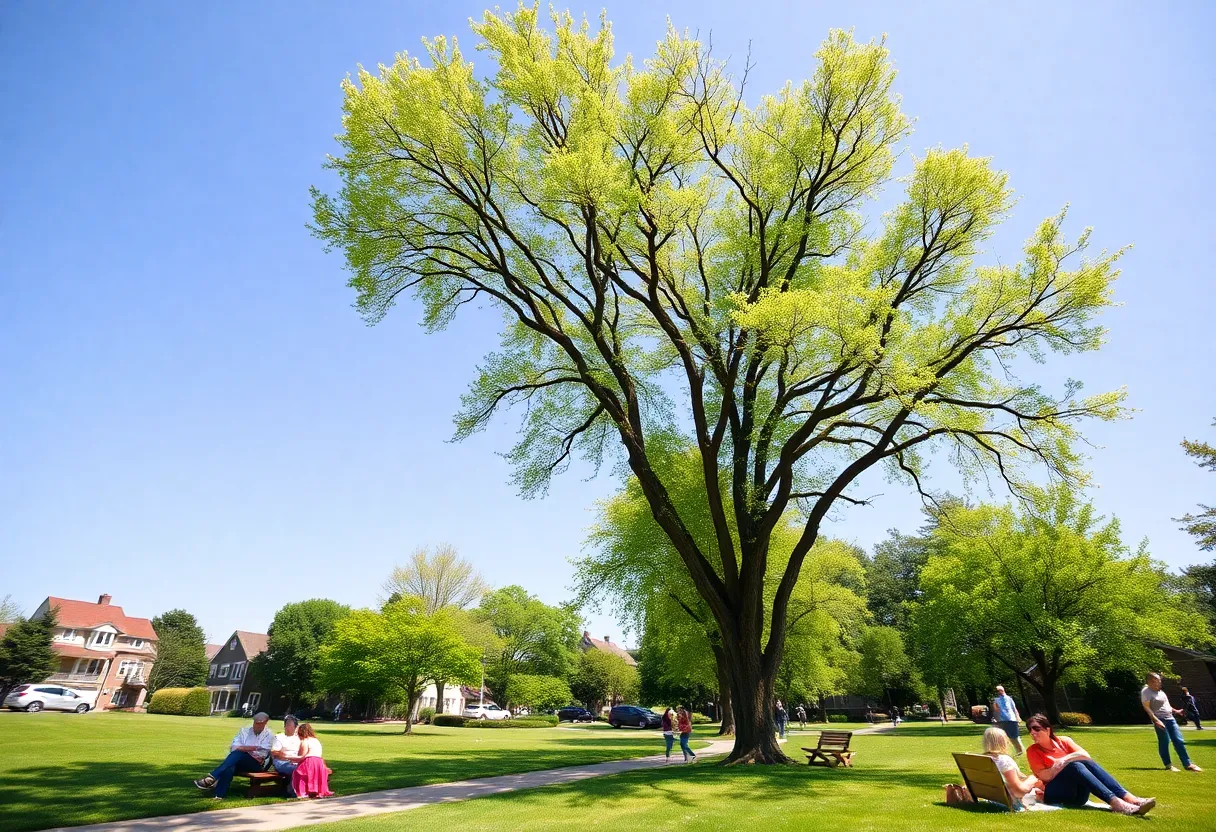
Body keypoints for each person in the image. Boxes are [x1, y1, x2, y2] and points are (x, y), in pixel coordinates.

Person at [1025, 714, 1155, 815]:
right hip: (1054, 794)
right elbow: (1045, 776)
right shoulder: (1033, 751)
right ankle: (1116, 803)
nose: (1032, 733)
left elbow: (1085, 755)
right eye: (1030, 730)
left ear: (1048, 730)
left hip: (1079, 797)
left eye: (1036, 729)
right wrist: (1060, 766)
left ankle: (1130, 799)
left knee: (1085, 762)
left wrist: (1065, 759)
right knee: (1076, 766)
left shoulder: (1064, 741)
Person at [193, 712, 275, 798]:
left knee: (237, 754)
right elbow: (234, 747)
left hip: (255, 764)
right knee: (230, 767)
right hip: (239, 761)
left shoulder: (269, 735)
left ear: (266, 723)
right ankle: (219, 795)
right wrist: (253, 748)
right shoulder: (244, 731)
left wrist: (244, 748)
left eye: (260, 723)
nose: (257, 726)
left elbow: (263, 752)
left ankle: (213, 776)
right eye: (255, 723)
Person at [1140, 672, 1202, 771]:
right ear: (1150, 681)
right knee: (1164, 742)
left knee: (1178, 740)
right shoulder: (1146, 692)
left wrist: (1176, 711)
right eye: (1157, 680)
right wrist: (1156, 720)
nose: (1159, 682)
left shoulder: (1161, 692)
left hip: (1170, 718)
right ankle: (1168, 765)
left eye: (1159, 680)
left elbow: (1167, 705)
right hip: (1160, 719)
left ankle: (1187, 764)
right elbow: (1147, 708)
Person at [981, 727, 1041, 810]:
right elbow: (1018, 791)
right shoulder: (1004, 760)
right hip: (1009, 800)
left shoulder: (982, 759)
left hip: (993, 798)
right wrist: (1032, 779)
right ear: (1003, 741)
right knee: (1035, 781)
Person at [291, 723, 333, 799]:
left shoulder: (305, 741)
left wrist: (290, 759)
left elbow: (301, 756)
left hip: (309, 761)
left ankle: (303, 792)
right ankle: (316, 791)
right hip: (319, 762)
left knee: (298, 773)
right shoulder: (316, 740)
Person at [272, 715, 302, 797]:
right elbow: (274, 752)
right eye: (286, 725)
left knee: (305, 768)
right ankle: (292, 791)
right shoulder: (279, 737)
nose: (288, 727)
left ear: (296, 727)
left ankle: (306, 790)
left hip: (296, 761)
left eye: (290, 725)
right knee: (297, 770)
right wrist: (287, 757)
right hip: (281, 762)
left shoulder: (299, 738)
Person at [991, 685, 1025, 755]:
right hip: (1001, 720)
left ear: (1003, 690)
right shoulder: (996, 700)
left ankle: (1020, 751)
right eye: (997, 691)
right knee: (1001, 737)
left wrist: (1018, 718)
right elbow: (996, 710)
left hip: (1011, 719)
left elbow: (1014, 708)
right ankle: (1003, 752)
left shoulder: (1009, 699)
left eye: (1000, 690)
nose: (999, 692)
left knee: (1014, 737)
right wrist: (996, 719)